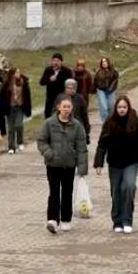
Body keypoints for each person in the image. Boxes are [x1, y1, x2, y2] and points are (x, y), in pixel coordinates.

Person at [93, 95, 138, 234]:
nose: (122, 110)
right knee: (116, 191)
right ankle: (117, 221)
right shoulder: (110, 122)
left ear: (128, 108)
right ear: (116, 108)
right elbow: (102, 144)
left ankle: (127, 220)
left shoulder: (136, 122)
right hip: (115, 163)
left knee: (128, 187)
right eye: (119, 107)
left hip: (131, 162)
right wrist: (99, 163)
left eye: (124, 107)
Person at [37, 97, 89, 234]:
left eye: (69, 107)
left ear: (72, 109)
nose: (66, 109)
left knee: (67, 192)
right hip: (53, 164)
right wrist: (49, 154)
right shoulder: (49, 123)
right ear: (59, 107)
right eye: (64, 106)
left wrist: (82, 167)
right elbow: (42, 141)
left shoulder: (77, 126)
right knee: (54, 192)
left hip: (69, 165)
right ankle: (53, 220)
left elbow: (81, 147)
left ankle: (66, 219)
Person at [4, 68, 33, 154]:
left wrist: (28, 109)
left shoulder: (24, 83)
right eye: (16, 72)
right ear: (12, 74)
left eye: (19, 72)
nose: (18, 73)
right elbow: (2, 95)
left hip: (20, 107)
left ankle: (20, 142)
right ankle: (11, 147)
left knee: (19, 125)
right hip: (10, 108)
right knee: (11, 128)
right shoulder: (7, 84)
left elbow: (28, 97)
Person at [39, 53, 70, 119]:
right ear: (52, 61)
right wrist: (49, 79)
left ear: (61, 62)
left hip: (62, 98)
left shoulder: (66, 71)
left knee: (61, 117)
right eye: (54, 60)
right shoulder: (48, 70)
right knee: (49, 117)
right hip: (50, 98)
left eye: (58, 61)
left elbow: (70, 83)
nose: (56, 63)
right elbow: (41, 82)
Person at [94, 57, 120, 125]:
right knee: (104, 107)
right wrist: (95, 89)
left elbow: (115, 81)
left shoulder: (114, 71)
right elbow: (95, 82)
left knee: (111, 107)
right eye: (102, 62)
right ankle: (105, 122)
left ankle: (111, 121)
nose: (104, 63)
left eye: (105, 61)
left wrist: (111, 88)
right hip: (101, 90)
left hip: (110, 91)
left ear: (108, 62)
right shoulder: (99, 72)